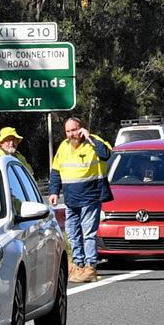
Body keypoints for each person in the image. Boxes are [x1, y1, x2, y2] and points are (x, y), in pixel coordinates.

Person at [50, 115, 115, 280]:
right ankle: (78, 264)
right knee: (72, 233)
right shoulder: (63, 147)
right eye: (68, 131)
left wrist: (90, 137)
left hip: (90, 197)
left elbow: (106, 154)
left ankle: (90, 266)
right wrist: (53, 192)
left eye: (74, 130)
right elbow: (56, 171)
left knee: (88, 233)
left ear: (82, 129)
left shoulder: (93, 142)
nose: (71, 134)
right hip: (71, 199)